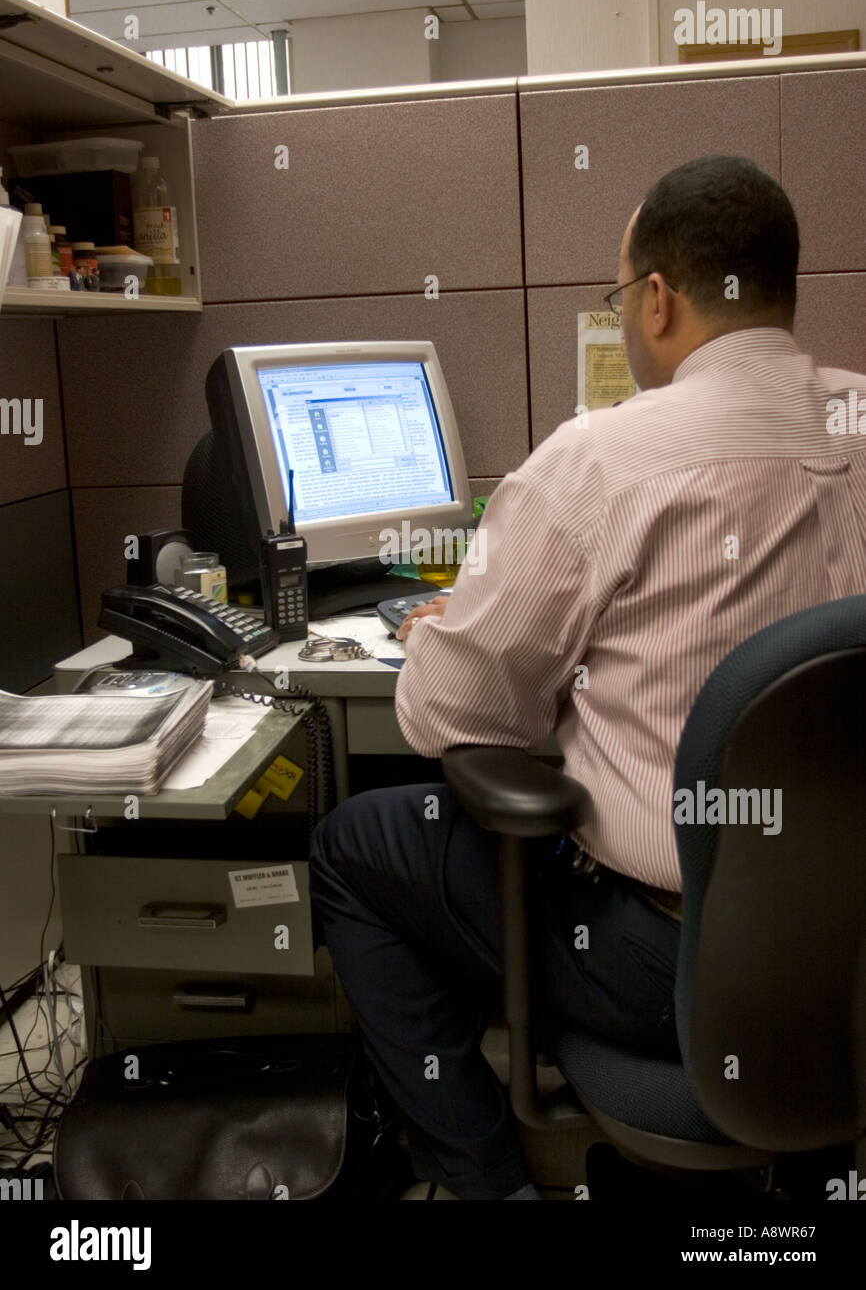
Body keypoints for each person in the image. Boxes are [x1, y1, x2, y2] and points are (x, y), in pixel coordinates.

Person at [308, 154, 866, 1200]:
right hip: (853, 954)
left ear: (654, 299)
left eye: (618, 298)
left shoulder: (598, 462)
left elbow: (447, 713)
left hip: (668, 962)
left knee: (353, 846)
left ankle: (492, 1184)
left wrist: (462, 631)